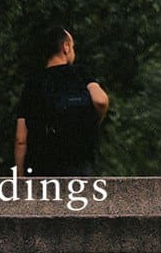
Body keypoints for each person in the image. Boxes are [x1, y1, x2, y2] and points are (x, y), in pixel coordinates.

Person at [14, 27, 110, 176]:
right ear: (65, 47)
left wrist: (20, 176)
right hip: (78, 163)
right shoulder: (80, 74)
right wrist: (93, 123)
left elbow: (20, 138)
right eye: (72, 46)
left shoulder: (33, 83)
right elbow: (100, 101)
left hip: (41, 167)